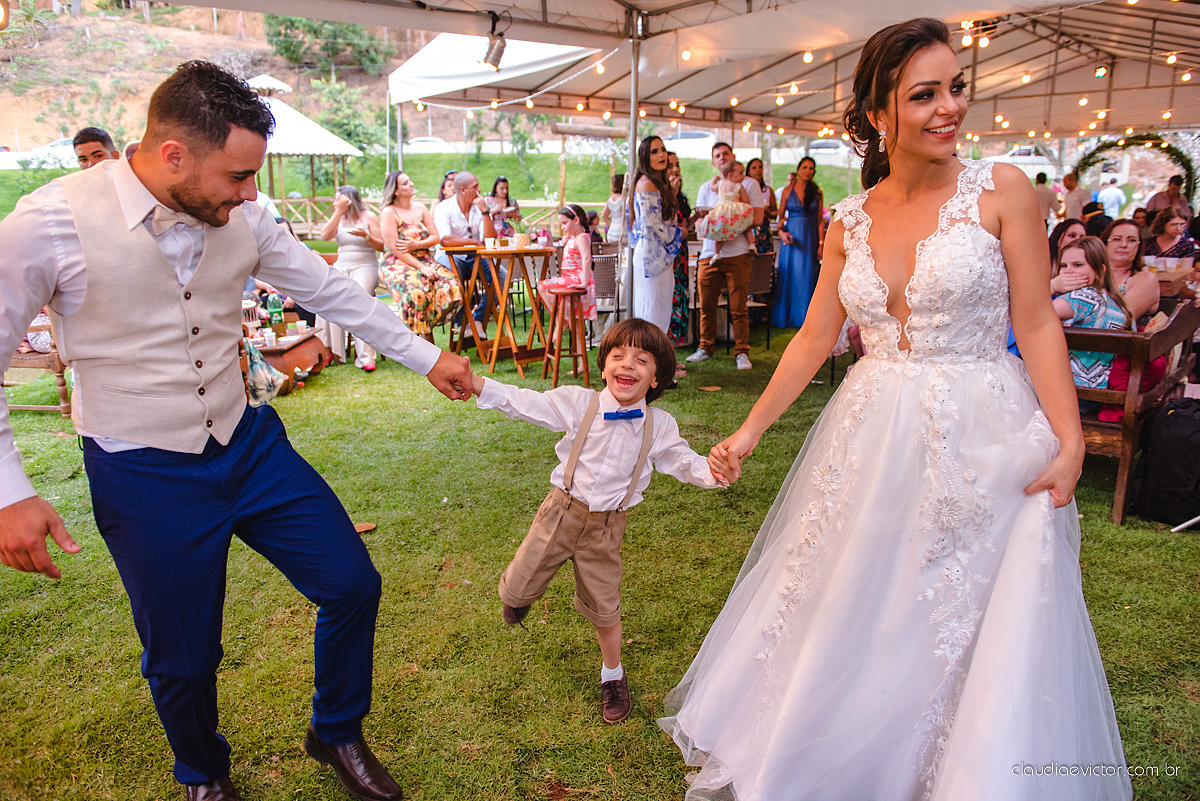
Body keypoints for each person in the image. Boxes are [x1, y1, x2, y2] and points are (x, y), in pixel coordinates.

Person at [658, 19, 1131, 801]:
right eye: (925, 94)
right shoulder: (850, 219)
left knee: (972, 610)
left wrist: (1070, 436)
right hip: (871, 431)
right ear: (879, 114)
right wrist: (748, 431)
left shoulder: (1005, 189)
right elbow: (813, 338)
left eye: (956, 88)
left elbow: (1037, 320)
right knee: (864, 595)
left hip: (986, 435)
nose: (950, 108)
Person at [0, 61, 475, 801]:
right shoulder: (48, 221)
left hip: (247, 443)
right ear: (173, 155)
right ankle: (204, 775)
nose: (251, 193)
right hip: (140, 469)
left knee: (352, 583)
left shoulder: (246, 217)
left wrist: (426, 356)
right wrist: (10, 492)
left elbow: (329, 290)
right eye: (239, 174)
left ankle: (336, 729)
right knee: (183, 659)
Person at [471, 319, 728, 724]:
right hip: (560, 511)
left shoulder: (659, 426)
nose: (628, 365)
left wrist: (714, 472)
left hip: (607, 528)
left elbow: (682, 461)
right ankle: (517, 597)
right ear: (604, 366)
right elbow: (527, 402)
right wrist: (480, 385)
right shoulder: (578, 402)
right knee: (520, 582)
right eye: (618, 356)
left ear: (657, 374)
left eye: (641, 359)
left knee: (606, 608)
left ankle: (613, 676)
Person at [687, 141, 765, 370]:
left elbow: (758, 218)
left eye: (725, 153)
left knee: (739, 306)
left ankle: (741, 351)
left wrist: (728, 224)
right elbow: (700, 220)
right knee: (707, 305)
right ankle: (705, 346)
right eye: (717, 155)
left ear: (732, 156)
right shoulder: (707, 187)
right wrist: (716, 223)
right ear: (713, 162)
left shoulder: (749, 184)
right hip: (710, 254)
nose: (721, 157)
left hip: (739, 253)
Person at [379, 171, 463, 340]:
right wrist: (421, 267)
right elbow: (395, 249)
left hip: (424, 258)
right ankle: (420, 341)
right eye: (405, 183)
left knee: (453, 287)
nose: (411, 184)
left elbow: (435, 237)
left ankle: (425, 328)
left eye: (409, 181)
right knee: (416, 292)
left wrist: (416, 245)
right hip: (397, 262)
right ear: (396, 191)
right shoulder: (389, 212)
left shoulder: (420, 208)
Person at [1052, 236, 1133, 394]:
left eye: (1077, 265)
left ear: (1099, 271)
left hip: (1074, 390)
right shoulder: (1114, 301)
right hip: (1101, 388)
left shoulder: (1085, 297)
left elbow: (1033, 313)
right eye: (1064, 265)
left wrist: (1052, 285)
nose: (1068, 271)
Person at [318, 184, 383, 370]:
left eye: (338, 199)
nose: (334, 201)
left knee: (359, 298)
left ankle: (366, 356)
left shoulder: (368, 216)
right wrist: (338, 212)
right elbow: (324, 236)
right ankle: (330, 351)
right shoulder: (338, 217)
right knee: (325, 294)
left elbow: (382, 246)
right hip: (342, 264)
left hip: (365, 265)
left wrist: (367, 236)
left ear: (349, 200)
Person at [433, 171, 501, 334]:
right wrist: (475, 242)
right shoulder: (444, 208)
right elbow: (445, 240)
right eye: (475, 187)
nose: (479, 190)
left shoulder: (479, 209)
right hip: (450, 256)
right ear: (462, 190)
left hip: (476, 257)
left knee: (501, 276)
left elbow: (490, 239)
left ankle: (477, 319)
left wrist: (486, 212)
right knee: (454, 274)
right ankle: (462, 322)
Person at [629, 136, 683, 336]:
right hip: (651, 256)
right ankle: (651, 360)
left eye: (663, 149)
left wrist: (673, 194)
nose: (661, 155)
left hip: (660, 255)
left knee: (660, 310)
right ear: (645, 156)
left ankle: (658, 360)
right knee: (651, 311)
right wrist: (679, 233)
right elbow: (652, 226)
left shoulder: (658, 183)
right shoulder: (647, 184)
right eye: (654, 151)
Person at [773, 156, 824, 329]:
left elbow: (820, 221)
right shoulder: (788, 190)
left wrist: (821, 243)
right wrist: (782, 232)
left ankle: (806, 317)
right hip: (792, 237)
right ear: (798, 169)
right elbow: (780, 218)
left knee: (808, 274)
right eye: (805, 167)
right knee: (791, 274)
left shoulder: (817, 192)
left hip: (810, 236)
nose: (808, 171)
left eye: (811, 168)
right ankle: (788, 315)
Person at [539, 203, 595, 328]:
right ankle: (562, 318)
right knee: (546, 289)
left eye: (565, 223)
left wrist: (584, 282)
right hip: (570, 278)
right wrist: (567, 242)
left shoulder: (581, 238)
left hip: (577, 278)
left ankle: (561, 319)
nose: (563, 228)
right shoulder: (574, 239)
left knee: (542, 287)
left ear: (576, 220)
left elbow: (587, 258)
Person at [1103, 218, 1160, 324]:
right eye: (1117, 239)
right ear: (1105, 244)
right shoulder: (1094, 274)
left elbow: (1122, 318)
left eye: (1132, 240)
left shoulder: (1146, 279)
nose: (1124, 245)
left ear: (1138, 246)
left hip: (1128, 338)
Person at [666, 151, 693, 355]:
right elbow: (669, 226)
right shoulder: (663, 197)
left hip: (682, 255)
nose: (676, 170)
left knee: (680, 300)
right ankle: (667, 358)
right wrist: (672, 194)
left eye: (677, 165)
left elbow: (682, 228)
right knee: (669, 303)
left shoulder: (680, 196)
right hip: (669, 258)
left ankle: (673, 353)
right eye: (670, 166)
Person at [705, 159, 756, 253]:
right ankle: (751, 244)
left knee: (719, 231)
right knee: (746, 226)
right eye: (741, 173)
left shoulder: (720, 184)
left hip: (722, 211)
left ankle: (716, 253)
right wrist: (742, 204)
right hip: (735, 211)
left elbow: (712, 188)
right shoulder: (739, 186)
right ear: (730, 175)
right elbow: (746, 200)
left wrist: (714, 180)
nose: (743, 176)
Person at [746, 157, 778, 253]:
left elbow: (775, 213)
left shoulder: (768, 191)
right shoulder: (744, 189)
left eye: (760, 167)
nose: (758, 170)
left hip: (764, 229)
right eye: (754, 168)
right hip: (749, 228)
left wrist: (767, 212)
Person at [600, 173, 626, 243]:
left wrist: (611, 225)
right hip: (623, 233)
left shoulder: (610, 199)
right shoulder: (625, 199)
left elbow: (604, 216)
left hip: (612, 232)